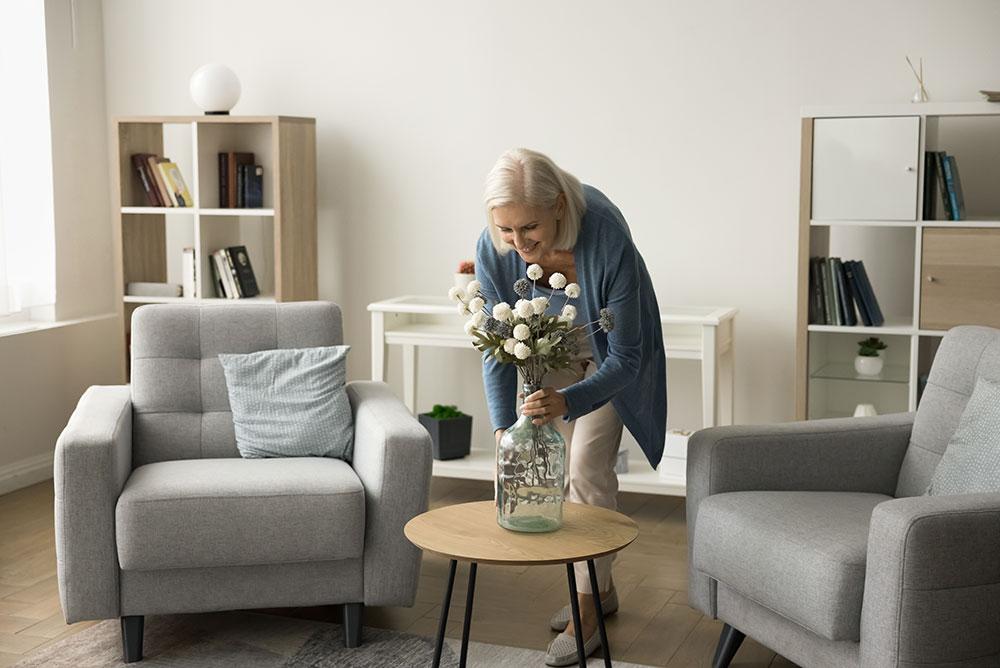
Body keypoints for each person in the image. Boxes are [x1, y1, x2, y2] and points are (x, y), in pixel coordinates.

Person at [475, 148, 667, 666]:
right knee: (550, 468)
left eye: (529, 228)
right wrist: (501, 428)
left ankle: (587, 613)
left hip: (607, 355)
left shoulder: (605, 234)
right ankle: (600, 590)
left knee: (586, 468)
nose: (518, 243)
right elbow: (499, 345)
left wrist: (569, 400)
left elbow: (627, 357)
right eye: (505, 230)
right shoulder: (494, 246)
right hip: (548, 350)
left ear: (558, 205)